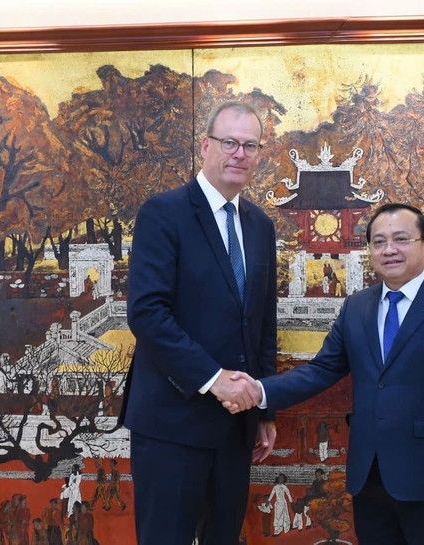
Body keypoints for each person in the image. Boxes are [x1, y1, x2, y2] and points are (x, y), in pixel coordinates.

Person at [226, 203, 424, 545]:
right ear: (369, 251)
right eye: (378, 242)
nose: (389, 249)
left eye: (401, 239)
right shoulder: (357, 307)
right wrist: (259, 391)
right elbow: (321, 370)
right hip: (369, 478)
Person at [122, 100, 278, 545]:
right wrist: (214, 380)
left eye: (250, 145)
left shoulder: (260, 226)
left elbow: (263, 323)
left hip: (236, 426)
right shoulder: (163, 213)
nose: (239, 154)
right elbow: (147, 313)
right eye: (229, 142)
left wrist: (264, 407)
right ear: (205, 146)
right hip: (172, 422)